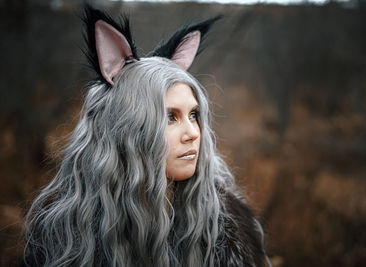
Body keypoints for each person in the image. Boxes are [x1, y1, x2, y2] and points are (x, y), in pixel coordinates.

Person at [22, 5, 271, 267]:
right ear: (124, 129)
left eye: (194, 115)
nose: (192, 133)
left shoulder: (228, 227)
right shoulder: (66, 237)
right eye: (170, 117)